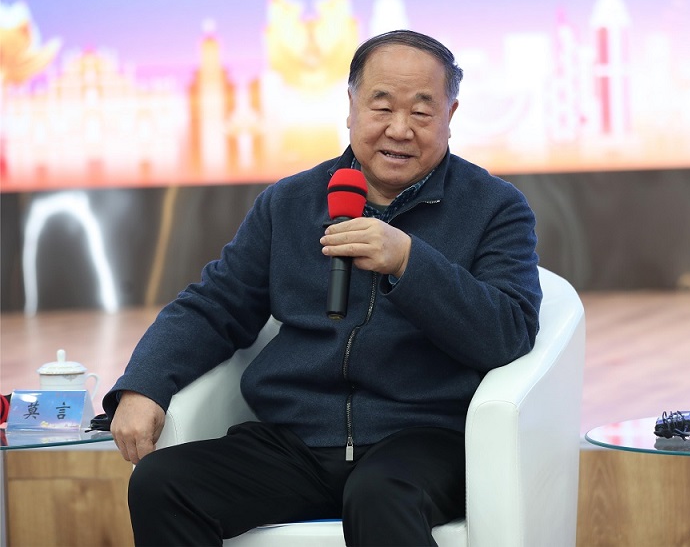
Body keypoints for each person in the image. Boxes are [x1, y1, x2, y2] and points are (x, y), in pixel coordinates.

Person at [105, 29, 542, 547]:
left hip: (420, 440)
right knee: (163, 483)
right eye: (382, 107)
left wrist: (409, 262)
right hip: (296, 442)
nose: (399, 129)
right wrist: (144, 384)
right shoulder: (289, 202)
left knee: (378, 494)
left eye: (422, 112)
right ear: (351, 106)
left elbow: (508, 332)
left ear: (451, 114)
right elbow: (214, 305)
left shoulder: (494, 206)